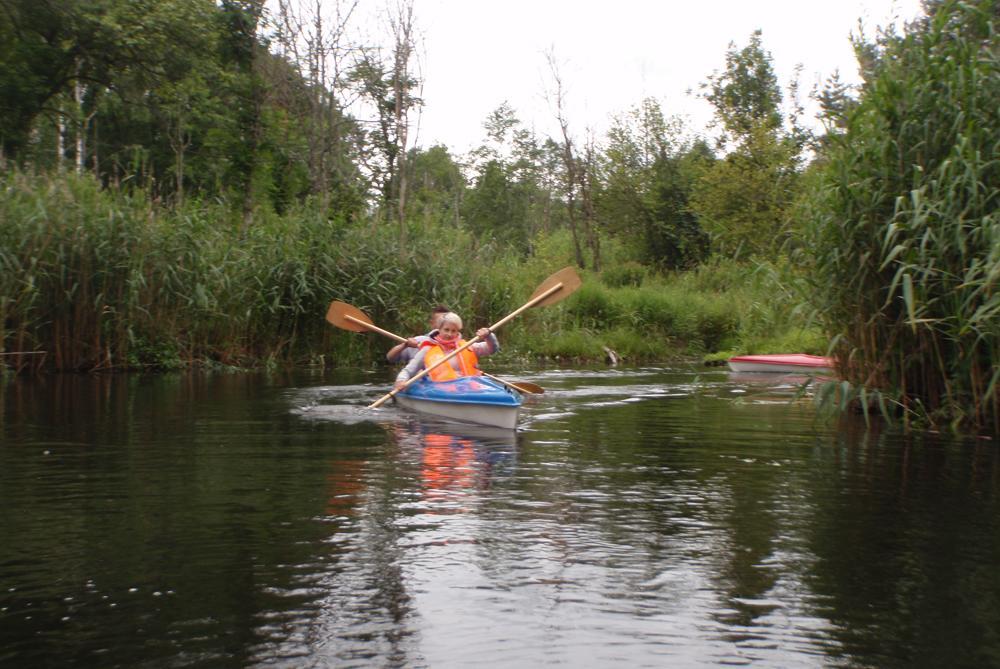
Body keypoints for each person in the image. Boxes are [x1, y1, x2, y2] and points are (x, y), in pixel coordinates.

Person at [394, 312, 498, 390]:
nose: (449, 334)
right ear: (439, 329)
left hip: (469, 387)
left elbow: (492, 349)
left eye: (453, 331)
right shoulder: (427, 349)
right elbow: (409, 370)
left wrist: (489, 336)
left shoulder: (467, 346)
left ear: (458, 331)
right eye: (446, 330)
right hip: (441, 389)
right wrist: (401, 380)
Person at [386, 304, 451, 364]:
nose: (443, 325)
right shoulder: (418, 340)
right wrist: (405, 345)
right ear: (431, 323)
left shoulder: (458, 345)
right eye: (440, 321)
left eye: (446, 322)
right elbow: (390, 358)